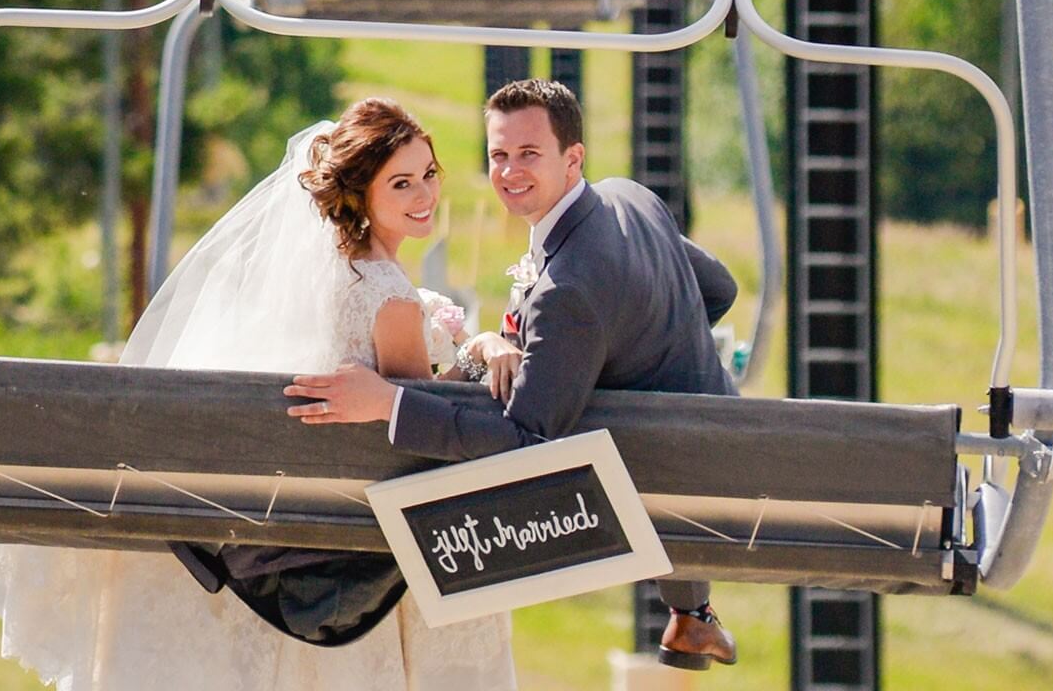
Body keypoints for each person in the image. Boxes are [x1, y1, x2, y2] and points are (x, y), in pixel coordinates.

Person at [0, 99, 516, 690]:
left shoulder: (341, 269)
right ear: (361, 193)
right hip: (352, 528)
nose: (425, 195)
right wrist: (478, 348)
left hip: (292, 502)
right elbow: (422, 423)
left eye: (429, 174)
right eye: (402, 182)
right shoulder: (390, 295)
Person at [286, 79, 741, 671]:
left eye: (529, 154)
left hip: (675, 482)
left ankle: (690, 616)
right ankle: (692, 614)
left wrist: (390, 404)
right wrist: (641, 343)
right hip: (720, 452)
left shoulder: (568, 289)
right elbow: (721, 289)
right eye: (498, 155)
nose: (508, 171)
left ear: (572, 158)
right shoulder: (631, 197)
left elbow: (527, 446)